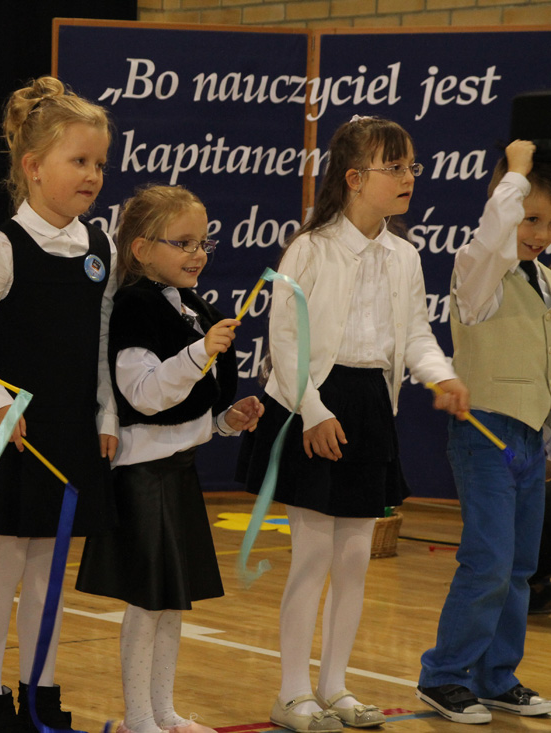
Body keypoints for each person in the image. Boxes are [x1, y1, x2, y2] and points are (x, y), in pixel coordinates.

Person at [236, 115, 468, 733]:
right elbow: (284, 340)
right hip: (312, 399)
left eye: (412, 166)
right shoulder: (310, 248)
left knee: (355, 560)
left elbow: (414, 336)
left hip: (369, 406)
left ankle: (334, 686)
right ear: (354, 178)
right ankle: (292, 693)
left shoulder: (405, 255)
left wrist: (440, 376)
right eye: (395, 167)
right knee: (312, 555)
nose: (408, 177)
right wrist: (312, 411)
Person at [0, 75, 118, 733]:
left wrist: (108, 414)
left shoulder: (100, 248)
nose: (92, 175)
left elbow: (103, 341)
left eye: (99, 163)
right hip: (15, 432)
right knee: (2, 566)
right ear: (32, 166)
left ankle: (40, 698)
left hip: (71, 427)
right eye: (78, 161)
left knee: (51, 572)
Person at [76, 184, 263, 733]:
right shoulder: (135, 307)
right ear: (140, 249)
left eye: (203, 242)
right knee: (147, 603)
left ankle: (163, 711)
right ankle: (138, 717)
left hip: (178, 473)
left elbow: (183, 414)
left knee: (171, 603)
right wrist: (199, 352)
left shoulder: (194, 308)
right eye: (183, 243)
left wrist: (224, 421)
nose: (197, 254)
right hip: (143, 478)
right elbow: (144, 395)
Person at [417, 128, 551, 723]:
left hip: (530, 438)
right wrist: (516, 171)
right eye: (529, 219)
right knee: (489, 562)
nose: (538, 235)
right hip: (486, 435)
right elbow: (495, 236)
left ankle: (497, 676)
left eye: (548, 223)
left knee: (519, 566)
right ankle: (444, 675)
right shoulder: (478, 272)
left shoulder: (543, 280)